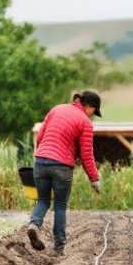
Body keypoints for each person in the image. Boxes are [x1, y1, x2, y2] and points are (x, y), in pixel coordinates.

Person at [27, 91, 102, 255]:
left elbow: (41, 136)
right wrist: (94, 179)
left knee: (43, 201)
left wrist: (42, 152)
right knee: (60, 206)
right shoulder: (85, 122)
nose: (92, 116)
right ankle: (59, 247)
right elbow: (86, 154)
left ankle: (34, 224)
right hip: (61, 166)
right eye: (93, 112)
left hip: (41, 160)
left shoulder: (57, 109)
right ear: (89, 106)